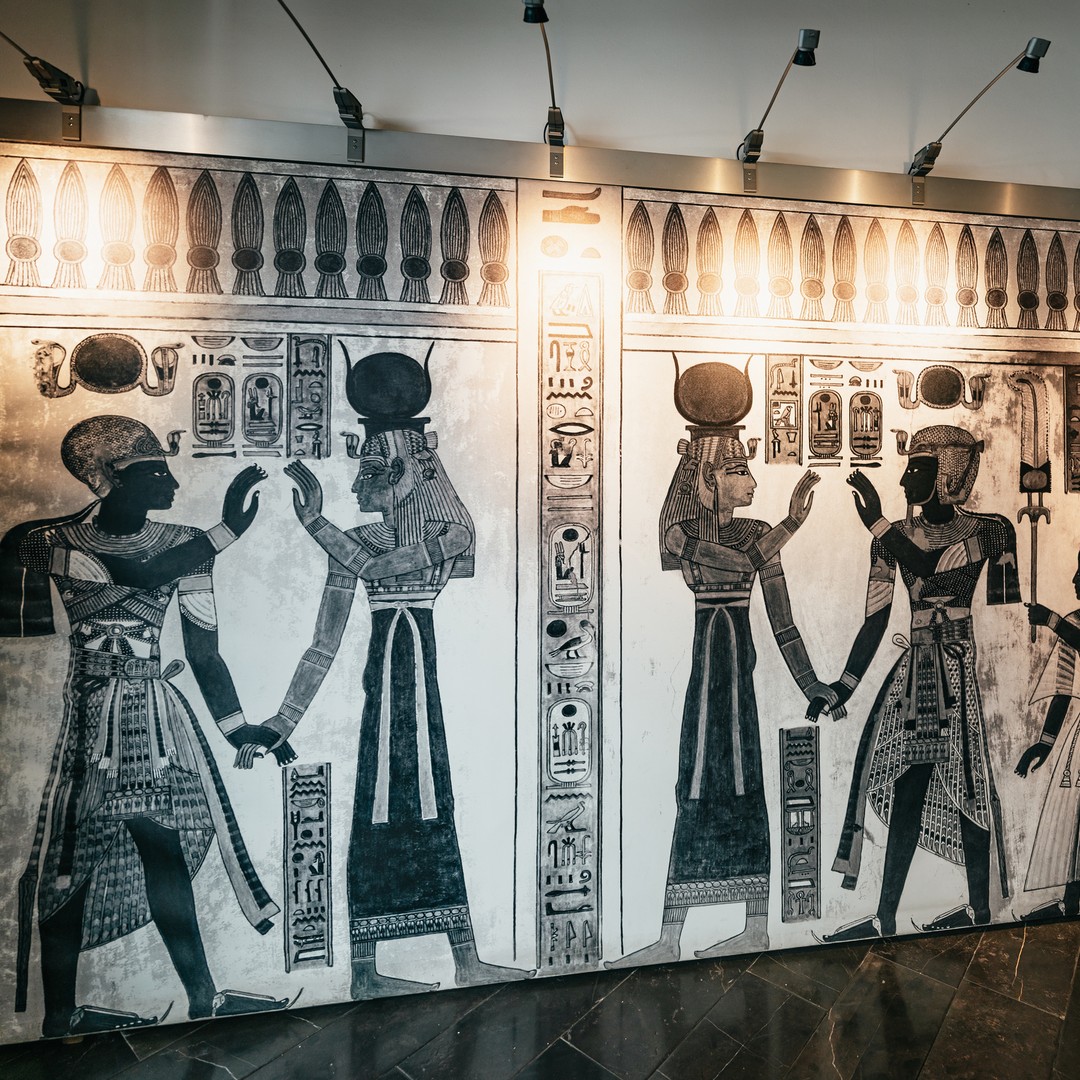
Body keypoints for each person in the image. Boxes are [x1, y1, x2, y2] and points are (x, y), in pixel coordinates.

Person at [0, 415, 290, 1037]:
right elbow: (123, 577)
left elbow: (205, 650)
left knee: (164, 850)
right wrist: (225, 533)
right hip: (91, 718)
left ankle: (202, 998)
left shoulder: (184, 543)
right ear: (108, 478)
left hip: (154, 718)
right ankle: (59, 1017)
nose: (172, 484)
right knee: (70, 862)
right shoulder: (53, 542)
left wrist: (236, 727)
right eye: (155, 473)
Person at [245, 417, 532, 998]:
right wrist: (284, 720)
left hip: (419, 693)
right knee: (373, 815)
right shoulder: (359, 543)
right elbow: (323, 642)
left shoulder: (445, 537)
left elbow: (379, 566)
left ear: (405, 475)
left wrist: (316, 523)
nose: (357, 486)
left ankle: (465, 961)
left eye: (370, 474)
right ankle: (364, 972)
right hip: (388, 692)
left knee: (435, 809)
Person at [608, 397, 831, 967]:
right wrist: (790, 526)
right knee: (693, 788)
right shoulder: (686, 535)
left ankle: (755, 927)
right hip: (708, 679)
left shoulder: (756, 533)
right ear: (708, 478)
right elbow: (734, 560)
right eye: (737, 471)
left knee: (747, 786)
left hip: (738, 678)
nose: (751, 482)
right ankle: (670, 936)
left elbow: (783, 621)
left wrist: (812, 685)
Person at [811, 425, 1021, 940]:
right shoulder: (891, 541)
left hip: (962, 670)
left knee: (971, 787)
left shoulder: (989, 531)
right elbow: (875, 620)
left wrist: (880, 524)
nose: (905, 481)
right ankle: (885, 917)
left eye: (918, 469)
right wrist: (844, 685)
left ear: (950, 473)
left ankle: (981, 910)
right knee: (907, 786)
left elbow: (948, 572)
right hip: (917, 673)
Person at [1015, 554, 1080, 921]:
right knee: (1075, 818)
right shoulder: (1073, 623)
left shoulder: (1068, 625)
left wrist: (1052, 620)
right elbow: (1063, 689)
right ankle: (1072, 901)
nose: (1075, 579)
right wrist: (1045, 742)